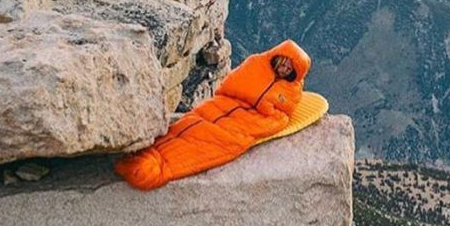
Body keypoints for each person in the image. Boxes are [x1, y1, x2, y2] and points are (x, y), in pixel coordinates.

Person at [115, 39, 311, 190]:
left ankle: (154, 166)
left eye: (288, 68)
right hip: (225, 103)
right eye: (282, 63)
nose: (283, 69)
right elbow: (231, 84)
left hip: (246, 123)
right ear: (276, 58)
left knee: (211, 142)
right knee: (192, 122)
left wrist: (263, 115)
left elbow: (282, 116)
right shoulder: (256, 64)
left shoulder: (292, 90)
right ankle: (147, 152)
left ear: (295, 72)